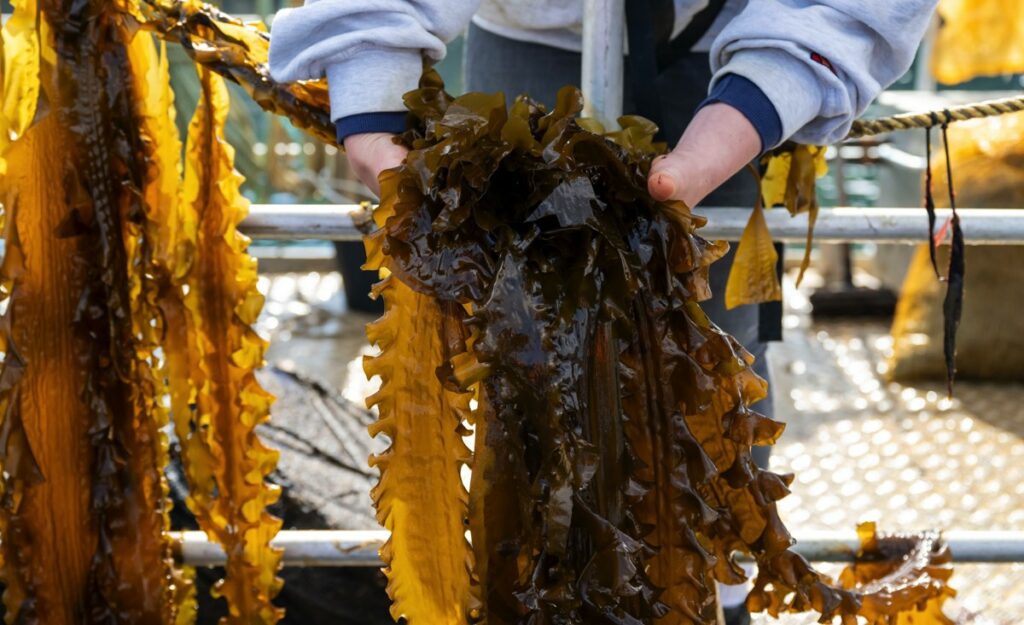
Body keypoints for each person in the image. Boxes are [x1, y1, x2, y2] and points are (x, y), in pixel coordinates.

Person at [268, 2, 937, 623]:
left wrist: (772, 86)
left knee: (711, 372)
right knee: (513, 384)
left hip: (736, 48)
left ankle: (718, 603)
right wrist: (369, 71)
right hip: (528, 26)